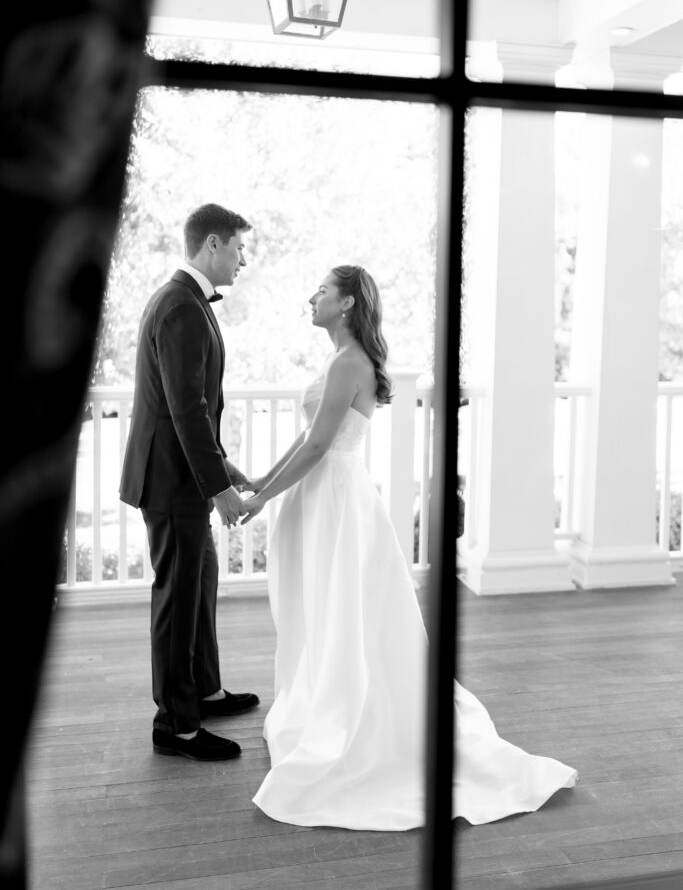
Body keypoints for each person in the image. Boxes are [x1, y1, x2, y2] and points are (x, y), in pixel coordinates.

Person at [240, 264, 577, 829]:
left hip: (336, 497)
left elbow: (320, 446)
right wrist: (261, 482)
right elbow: (308, 437)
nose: (312, 297)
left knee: (345, 609)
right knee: (327, 607)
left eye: (323, 290)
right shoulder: (340, 360)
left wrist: (259, 500)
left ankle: (353, 713)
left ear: (348, 303)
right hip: (324, 494)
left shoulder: (349, 363)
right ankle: (327, 693)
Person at [120, 203, 260, 761]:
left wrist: (222, 468)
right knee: (178, 599)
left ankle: (204, 691)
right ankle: (176, 726)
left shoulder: (186, 300)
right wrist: (217, 487)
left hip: (183, 476)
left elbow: (192, 404)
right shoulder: (180, 305)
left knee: (200, 583)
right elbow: (185, 408)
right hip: (170, 481)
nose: (243, 260)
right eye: (239, 248)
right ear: (212, 245)